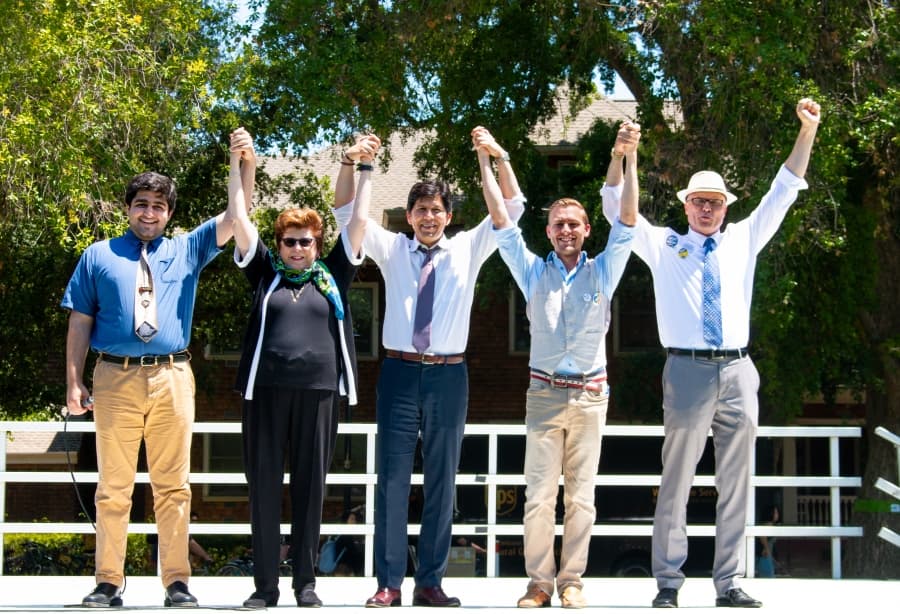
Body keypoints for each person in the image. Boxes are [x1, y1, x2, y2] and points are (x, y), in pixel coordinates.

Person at [602, 98, 821, 609]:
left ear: (726, 208)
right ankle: (668, 582)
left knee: (737, 481)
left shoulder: (745, 238)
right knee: (676, 480)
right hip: (686, 369)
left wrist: (807, 130)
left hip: (739, 369)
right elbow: (616, 208)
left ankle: (729, 582)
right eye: (699, 201)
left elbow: (785, 187)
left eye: (715, 202)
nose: (707, 209)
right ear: (686, 205)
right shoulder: (663, 244)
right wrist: (622, 156)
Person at [472, 124, 640, 609]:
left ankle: (572, 581)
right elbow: (500, 218)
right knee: (539, 497)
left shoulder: (603, 270)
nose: (566, 230)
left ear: (587, 230)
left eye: (574, 224)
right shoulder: (532, 271)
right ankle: (539, 584)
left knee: (582, 497)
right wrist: (488, 158)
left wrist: (628, 158)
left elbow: (628, 221)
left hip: (590, 397)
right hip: (544, 396)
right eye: (558, 224)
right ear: (547, 232)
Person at [62, 159, 239, 606]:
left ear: (169, 213)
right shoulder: (98, 255)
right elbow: (80, 320)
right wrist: (73, 381)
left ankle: (176, 581)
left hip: (171, 375)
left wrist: (243, 164)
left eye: (159, 206)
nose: (149, 212)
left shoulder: (187, 249)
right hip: (114, 376)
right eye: (141, 203)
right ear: (127, 208)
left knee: (174, 485)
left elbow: (236, 215)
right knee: (113, 486)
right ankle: (108, 581)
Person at [359, 149, 524, 608]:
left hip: (448, 376)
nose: (428, 217)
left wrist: (494, 159)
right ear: (409, 216)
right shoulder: (393, 249)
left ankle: (430, 582)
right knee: (392, 479)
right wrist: (360, 167)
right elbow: (349, 217)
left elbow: (511, 208)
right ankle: (389, 583)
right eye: (420, 210)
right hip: (398, 372)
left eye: (436, 210)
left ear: (448, 216)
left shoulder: (468, 247)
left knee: (441, 480)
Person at [228, 129, 380, 609]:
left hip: (319, 393)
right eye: (290, 242)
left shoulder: (334, 275)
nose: (297, 249)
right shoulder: (265, 274)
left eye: (306, 242)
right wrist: (241, 163)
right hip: (265, 393)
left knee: (311, 490)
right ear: (279, 244)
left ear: (317, 244)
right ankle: (265, 587)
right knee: (264, 488)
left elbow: (359, 220)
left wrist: (365, 168)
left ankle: (306, 584)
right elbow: (239, 217)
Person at [755, 505, 780, 578]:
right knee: (768, 576)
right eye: (775, 513)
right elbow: (762, 537)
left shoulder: (771, 525)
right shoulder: (767, 525)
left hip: (767, 555)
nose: (777, 515)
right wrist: (766, 549)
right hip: (765, 555)